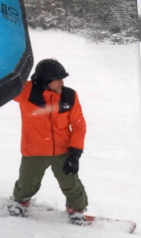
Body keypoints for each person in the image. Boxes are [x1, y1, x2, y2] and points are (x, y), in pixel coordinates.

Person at [7, 58, 89, 223]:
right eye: (57, 79)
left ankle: (76, 209)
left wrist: (75, 152)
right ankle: (20, 202)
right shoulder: (26, 92)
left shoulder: (69, 96)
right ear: (45, 81)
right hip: (34, 149)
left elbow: (79, 125)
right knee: (27, 183)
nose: (61, 82)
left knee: (71, 184)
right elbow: (5, 86)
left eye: (62, 78)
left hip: (63, 150)